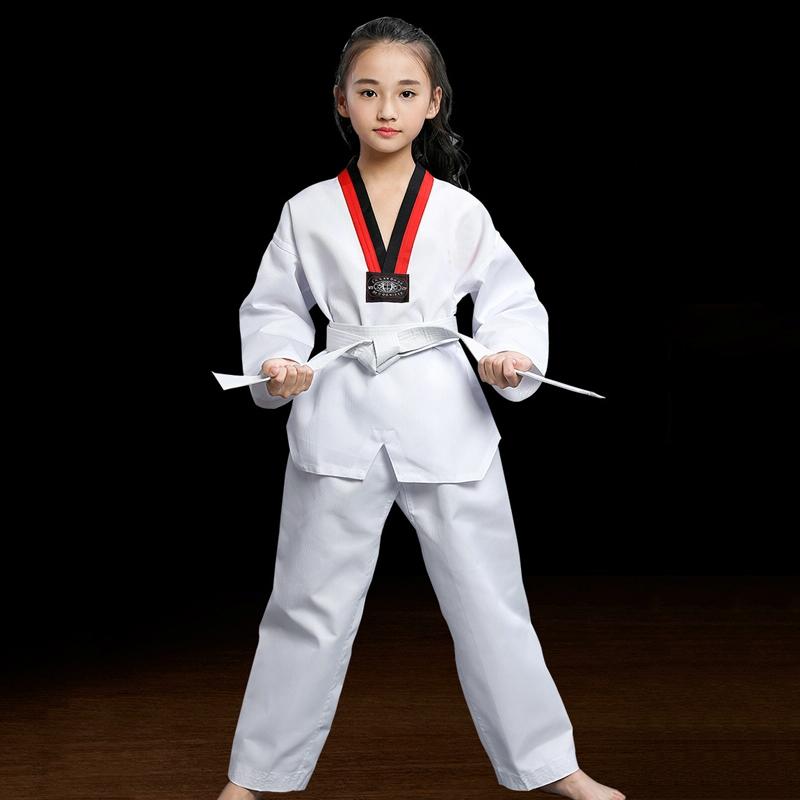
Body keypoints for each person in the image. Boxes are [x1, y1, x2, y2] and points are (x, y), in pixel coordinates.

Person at [216, 16, 623, 800]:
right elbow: (274, 308)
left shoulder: (461, 212)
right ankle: (257, 777)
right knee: (305, 607)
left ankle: (553, 766)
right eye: (368, 91)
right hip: (337, 412)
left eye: (406, 92)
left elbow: (511, 301)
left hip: (445, 413)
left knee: (491, 604)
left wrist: (509, 356)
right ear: (341, 100)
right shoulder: (307, 209)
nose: (387, 109)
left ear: (434, 102)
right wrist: (279, 362)